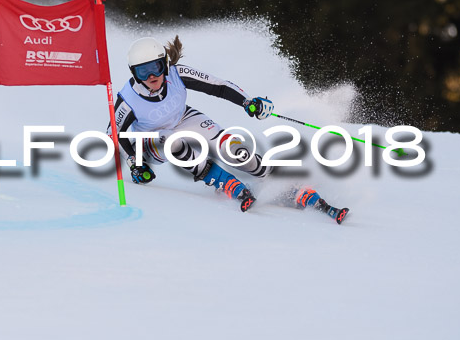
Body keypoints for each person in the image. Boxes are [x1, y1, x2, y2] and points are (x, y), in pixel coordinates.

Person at [110, 36, 348, 224]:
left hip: (183, 118)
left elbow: (219, 86)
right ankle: (222, 180)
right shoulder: (129, 99)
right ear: (134, 73)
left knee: (233, 149)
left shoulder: (177, 73)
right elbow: (115, 133)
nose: (152, 76)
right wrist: (136, 163)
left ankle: (280, 181)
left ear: (165, 63)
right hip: (153, 140)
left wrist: (247, 102)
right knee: (172, 143)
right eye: (143, 71)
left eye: (156, 67)